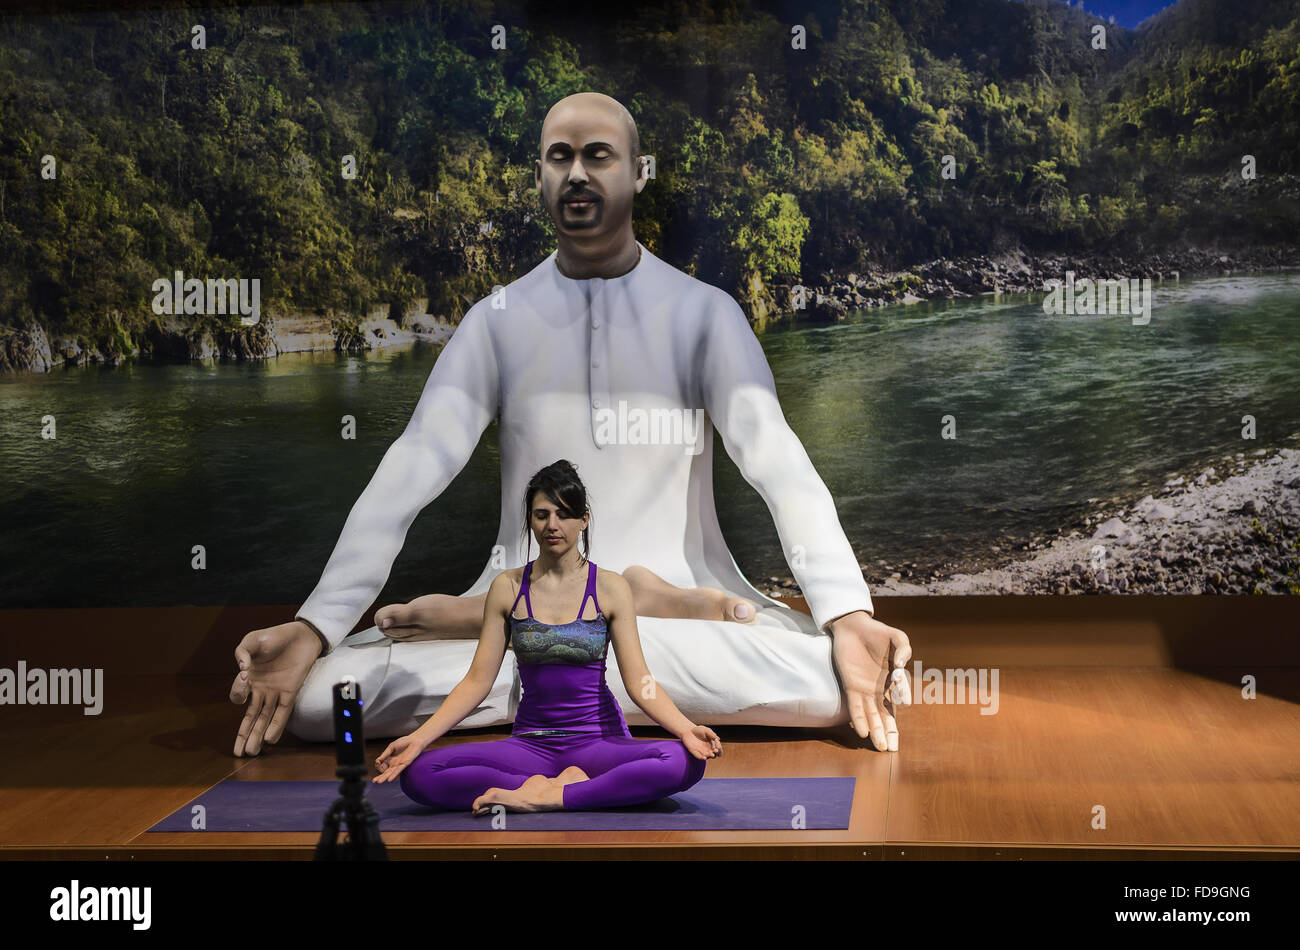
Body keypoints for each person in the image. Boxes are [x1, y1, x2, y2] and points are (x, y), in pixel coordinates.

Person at [230, 91, 911, 760]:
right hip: (526, 609)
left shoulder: (706, 314)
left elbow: (777, 461)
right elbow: (417, 461)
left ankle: (594, 647)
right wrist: (316, 624)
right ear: (540, 178)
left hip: (679, 606)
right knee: (324, 705)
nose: (577, 173)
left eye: (598, 156)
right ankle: (581, 658)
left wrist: (847, 612)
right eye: (560, 157)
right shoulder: (494, 321)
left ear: (637, 173)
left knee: (831, 686)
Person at [372, 460, 720, 814]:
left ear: (583, 520)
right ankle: (562, 787)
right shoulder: (507, 587)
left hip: (597, 742)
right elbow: (477, 681)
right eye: (541, 515)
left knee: (682, 760)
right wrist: (418, 738)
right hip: (530, 745)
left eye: (564, 515)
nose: (552, 525)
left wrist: (686, 728)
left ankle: (547, 797)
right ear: (530, 520)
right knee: (420, 773)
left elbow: (640, 681)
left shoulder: (611, 587)